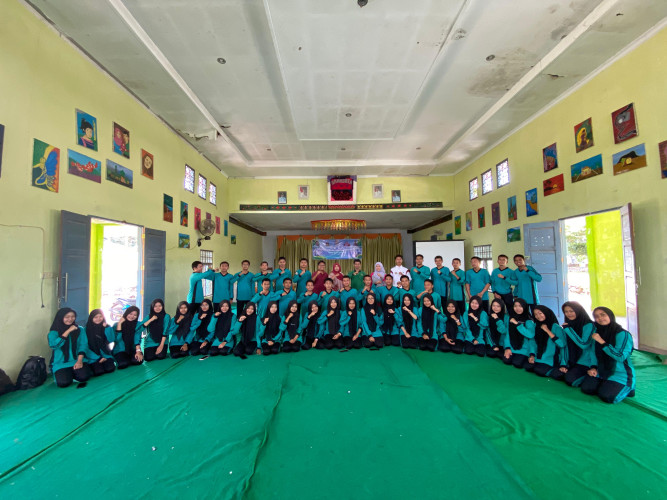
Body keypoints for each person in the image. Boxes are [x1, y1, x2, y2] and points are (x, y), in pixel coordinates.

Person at [580, 307, 635, 404]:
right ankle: (607, 383)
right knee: (587, 388)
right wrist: (593, 367)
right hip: (601, 370)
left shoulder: (623, 334)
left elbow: (620, 356)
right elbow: (593, 352)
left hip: (620, 372)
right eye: (596, 316)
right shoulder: (597, 333)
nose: (600, 318)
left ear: (610, 315)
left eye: (603, 315)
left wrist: (602, 342)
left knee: (607, 396)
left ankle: (629, 387)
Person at [47, 308, 92, 387]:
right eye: (67, 317)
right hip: (61, 363)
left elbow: (83, 345)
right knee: (63, 383)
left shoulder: (80, 330)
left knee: (84, 377)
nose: (70, 319)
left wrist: (79, 361)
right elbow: (54, 346)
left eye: (72, 316)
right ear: (61, 317)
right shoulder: (54, 332)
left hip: (76, 360)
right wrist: (68, 331)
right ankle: (65, 374)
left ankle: (73, 373)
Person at [561, 301, 596, 387]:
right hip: (574, 359)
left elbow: (584, 344)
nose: (569, 314)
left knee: (571, 380)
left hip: (587, 361)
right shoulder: (569, 324)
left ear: (578, 311)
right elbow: (565, 345)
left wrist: (568, 330)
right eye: (566, 312)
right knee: (559, 375)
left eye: (571, 311)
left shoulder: (589, 325)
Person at [529, 305, 567, 379]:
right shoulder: (537, 325)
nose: (538, 316)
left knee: (540, 370)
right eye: (535, 314)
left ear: (546, 313)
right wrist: (532, 355)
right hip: (539, 356)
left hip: (551, 358)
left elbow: (562, 344)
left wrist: (547, 331)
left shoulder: (556, 327)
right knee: (528, 366)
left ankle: (557, 369)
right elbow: (533, 341)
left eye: (540, 313)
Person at [502, 298, 535, 369]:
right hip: (512, 347)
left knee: (517, 363)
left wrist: (517, 324)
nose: (517, 308)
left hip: (524, 349)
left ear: (524, 307)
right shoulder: (511, 318)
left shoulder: (529, 321)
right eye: (515, 306)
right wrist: (507, 348)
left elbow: (530, 335)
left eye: (520, 306)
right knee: (506, 360)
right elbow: (507, 335)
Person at [82, 309, 116, 377]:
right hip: (92, 357)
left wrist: (107, 328)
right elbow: (85, 347)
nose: (98, 319)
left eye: (100, 316)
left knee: (110, 369)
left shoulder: (106, 327)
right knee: (98, 372)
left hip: (105, 355)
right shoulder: (86, 330)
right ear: (91, 318)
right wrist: (98, 358)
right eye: (96, 317)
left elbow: (111, 339)